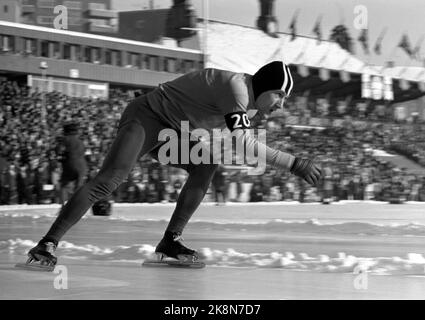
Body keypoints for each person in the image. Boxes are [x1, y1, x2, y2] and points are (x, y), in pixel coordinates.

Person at [26, 61, 322, 268]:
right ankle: (48, 243)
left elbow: (235, 144)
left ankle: (171, 241)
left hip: (173, 129)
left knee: (206, 165)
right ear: (264, 87)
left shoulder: (247, 103)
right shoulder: (237, 89)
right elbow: (244, 144)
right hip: (147, 116)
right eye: (280, 95)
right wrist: (294, 163)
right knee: (110, 179)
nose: (281, 104)